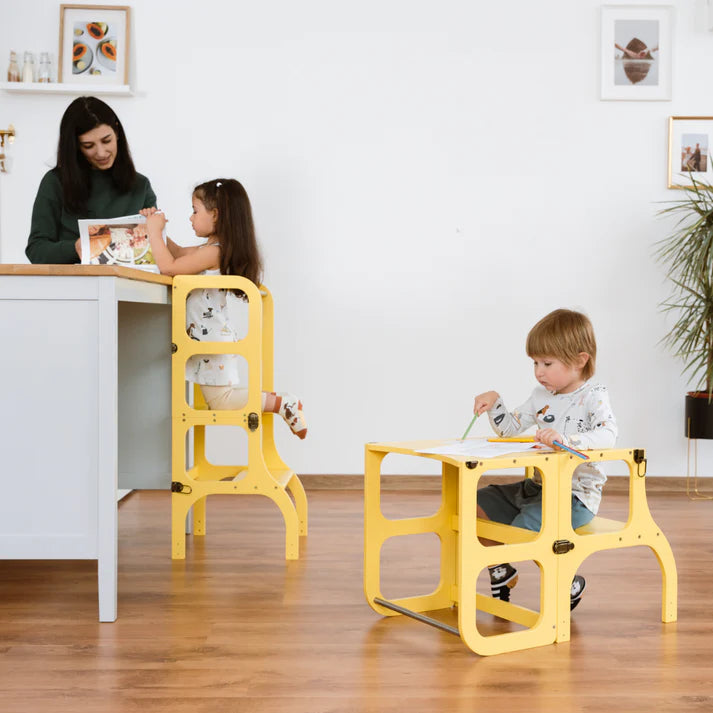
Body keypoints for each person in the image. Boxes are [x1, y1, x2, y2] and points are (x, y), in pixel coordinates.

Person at [472, 309, 617, 610]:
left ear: (580, 360)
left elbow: (608, 434)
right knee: (474, 503)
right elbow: (509, 429)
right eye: (535, 363)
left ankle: (569, 581)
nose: (539, 371)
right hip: (537, 489)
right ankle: (501, 570)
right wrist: (494, 403)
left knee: (523, 532)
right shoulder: (541, 395)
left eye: (547, 363)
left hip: (574, 497)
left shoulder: (594, 396)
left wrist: (567, 441)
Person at [145, 178, 307, 439]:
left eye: (195, 211)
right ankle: (281, 402)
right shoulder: (208, 249)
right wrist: (156, 229)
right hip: (207, 338)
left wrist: (153, 233)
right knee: (220, 400)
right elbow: (175, 253)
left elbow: (170, 268)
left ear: (216, 215)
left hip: (210, 340)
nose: (190, 218)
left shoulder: (214, 252)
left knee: (222, 402)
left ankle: (282, 403)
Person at [26, 96, 157, 264]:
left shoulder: (140, 186)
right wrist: (75, 247)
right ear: (75, 146)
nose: (101, 152)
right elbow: (36, 250)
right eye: (88, 146)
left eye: (106, 140)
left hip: (128, 286)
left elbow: (154, 250)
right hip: (71, 285)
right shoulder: (55, 183)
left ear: (117, 133)